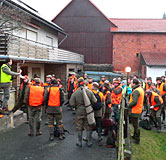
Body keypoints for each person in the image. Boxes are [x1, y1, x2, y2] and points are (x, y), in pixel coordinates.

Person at [69, 78, 97, 147]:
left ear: (77, 84)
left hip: (79, 111)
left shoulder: (75, 93)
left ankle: (79, 142)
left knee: (79, 127)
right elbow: (95, 101)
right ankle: (89, 141)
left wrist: (77, 106)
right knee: (88, 126)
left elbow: (71, 103)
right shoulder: (89, 92)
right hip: (88, 111)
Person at [128, 79, 144, 144]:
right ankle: (135, 136)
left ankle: (137, 139)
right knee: (135, 125)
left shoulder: (136, 91)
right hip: (138, 109)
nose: (130, 84)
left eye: (131, 83)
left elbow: (134, 101)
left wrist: (128, 106)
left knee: (135, 125)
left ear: (134, 83)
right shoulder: (140, 89)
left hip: (134, 110)